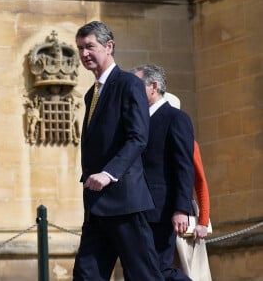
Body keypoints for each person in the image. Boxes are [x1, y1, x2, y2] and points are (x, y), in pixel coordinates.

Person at [73, 22, 164, 281]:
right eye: (80, 48)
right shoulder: (92, 93)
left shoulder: (129, 84)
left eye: (90, 46)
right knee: (86, 275)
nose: (84, 54)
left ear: (109, 46)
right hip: (96, 204)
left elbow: (137, 138)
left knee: (143, 275)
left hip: (125, 201)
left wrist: (109, 173)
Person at [130, 64, 194, 281]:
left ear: (153, 87)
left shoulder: (176, 118)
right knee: (138, 270)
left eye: (136, 85)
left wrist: (181, 209)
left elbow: (184, 167)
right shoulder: (136, 120)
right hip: (134, 207)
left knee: (159, 268)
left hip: (160, 210)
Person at [165, 92, 212, 281]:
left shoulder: (189, 143)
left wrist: (203, 221)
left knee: (189, 269)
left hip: (184, 213)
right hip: (158, 214)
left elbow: (200, 182)